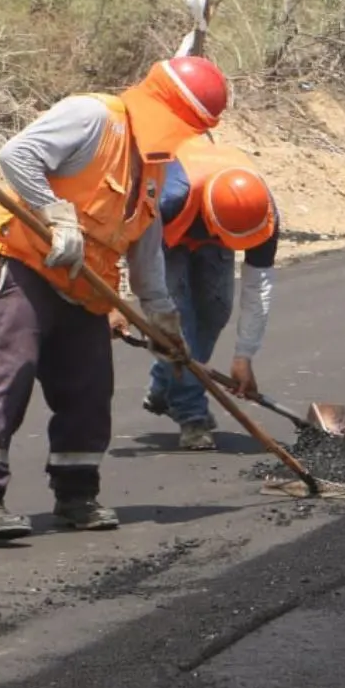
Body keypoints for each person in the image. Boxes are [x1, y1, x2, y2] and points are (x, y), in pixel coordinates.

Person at [0, 57, 228, 538]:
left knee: (90, 391)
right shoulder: (94, 117)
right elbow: (17, 154)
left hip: (83, 287)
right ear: (170, 110)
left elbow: (145, 247)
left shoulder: (154, 166)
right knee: (9, 376)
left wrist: (160, 316)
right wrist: (57, 215)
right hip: (23, 262)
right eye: (188, 125)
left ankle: (77, 495)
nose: (186, 136)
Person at [137, 135, 280, 451]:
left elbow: (259, 287)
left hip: (210, 223)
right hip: (164, 237)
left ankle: (166, 383)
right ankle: (192, 417)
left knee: (215, 311)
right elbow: (130, 240)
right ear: (211, 222)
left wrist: (244, 356)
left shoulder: (261, 213)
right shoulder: (168, 198)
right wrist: (115, 302)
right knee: (180, 323)